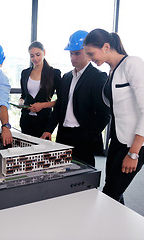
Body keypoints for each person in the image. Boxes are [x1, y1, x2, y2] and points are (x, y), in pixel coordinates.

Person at [83, 28, 144, 204]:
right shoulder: (112, 70)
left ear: (106, 47)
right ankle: (119, 228)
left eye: (91, 54)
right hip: (117, 140)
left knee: (110, 195)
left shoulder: (132, 63)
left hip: (134, 144)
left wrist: (134, 153)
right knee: (113, 189)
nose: (90, 59)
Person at [42, 30, 110, 167]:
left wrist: (88, 136)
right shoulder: (66, 77)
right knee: (61, 174)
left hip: (83, 137)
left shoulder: (98, 77)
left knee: (84, 178)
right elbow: (59, 107)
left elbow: (104, 115)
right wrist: (49, 129)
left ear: (87, 52)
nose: (73, 57)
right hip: (63, 135)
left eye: (77, 53)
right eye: (71, 53)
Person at [19, 41, 61, 138]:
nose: (35, 58)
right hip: (26, 120)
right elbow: (23, 96)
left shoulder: (54, 73)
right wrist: (21, 103)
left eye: (38, 54)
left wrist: (42, 105)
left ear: (44, 53)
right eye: (32, 56)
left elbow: (61, 101)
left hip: (44, 121)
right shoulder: (25, 73)